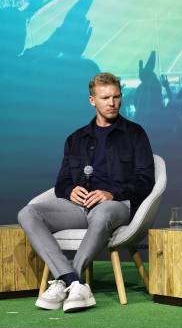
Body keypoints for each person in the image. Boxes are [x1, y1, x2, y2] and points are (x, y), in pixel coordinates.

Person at [17, 73, 155, 312]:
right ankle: (74, 283)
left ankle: (69, 279)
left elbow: (146, 180)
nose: (112, 103)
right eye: (105, 98)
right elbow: (61, 183)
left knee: (102, 214)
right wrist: (71, 191)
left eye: (116, 97)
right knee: (27, 213)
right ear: (92, 101)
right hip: (80, 207)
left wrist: (112, 193)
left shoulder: (135, 133)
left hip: (116, 206)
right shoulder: (76, 138)